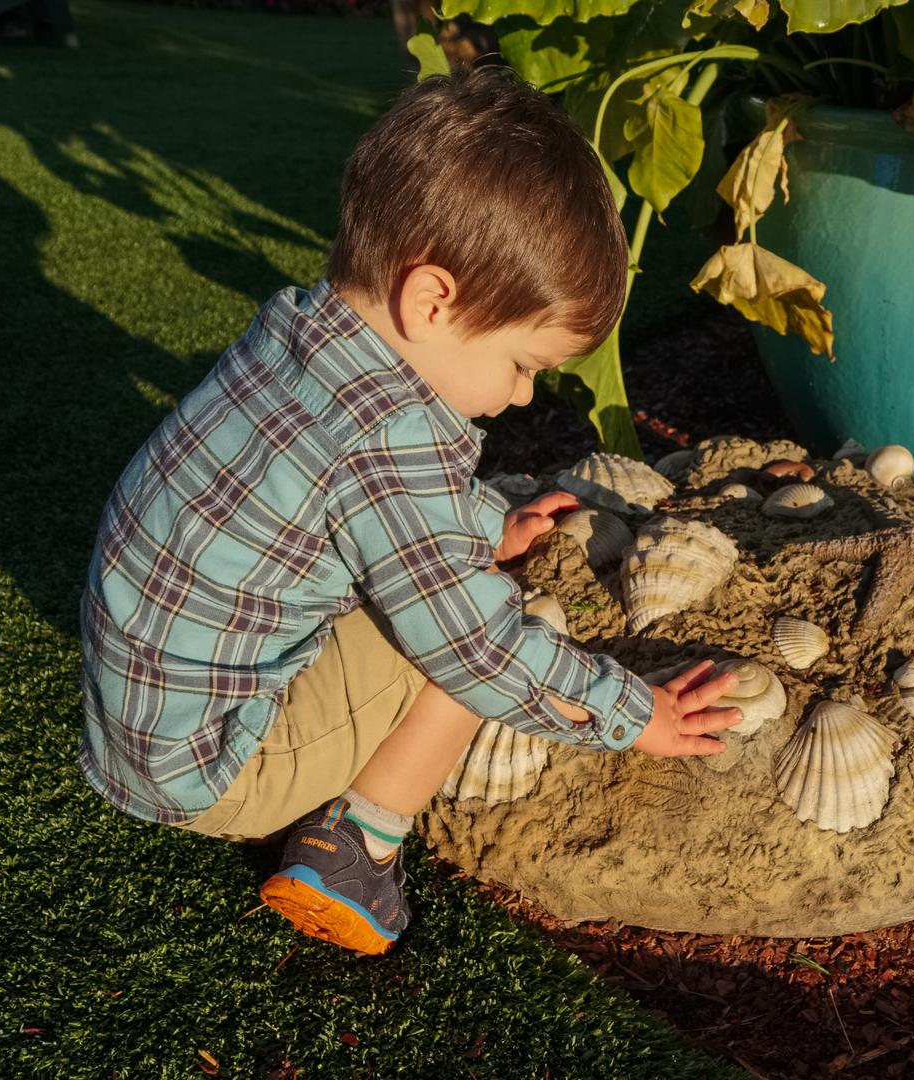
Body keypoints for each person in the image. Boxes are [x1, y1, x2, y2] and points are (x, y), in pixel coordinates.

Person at [76, 66, 741, 957]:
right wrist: (634, 714)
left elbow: (336, 495)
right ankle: (356, 847)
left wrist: (478, 524)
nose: (519, 396)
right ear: (431, 300)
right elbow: (477, 650)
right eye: (522, 363)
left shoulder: (294, 334)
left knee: (442, 578)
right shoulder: (392, 439)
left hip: (140, 712)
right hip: (216, 768)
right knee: (501, 620)